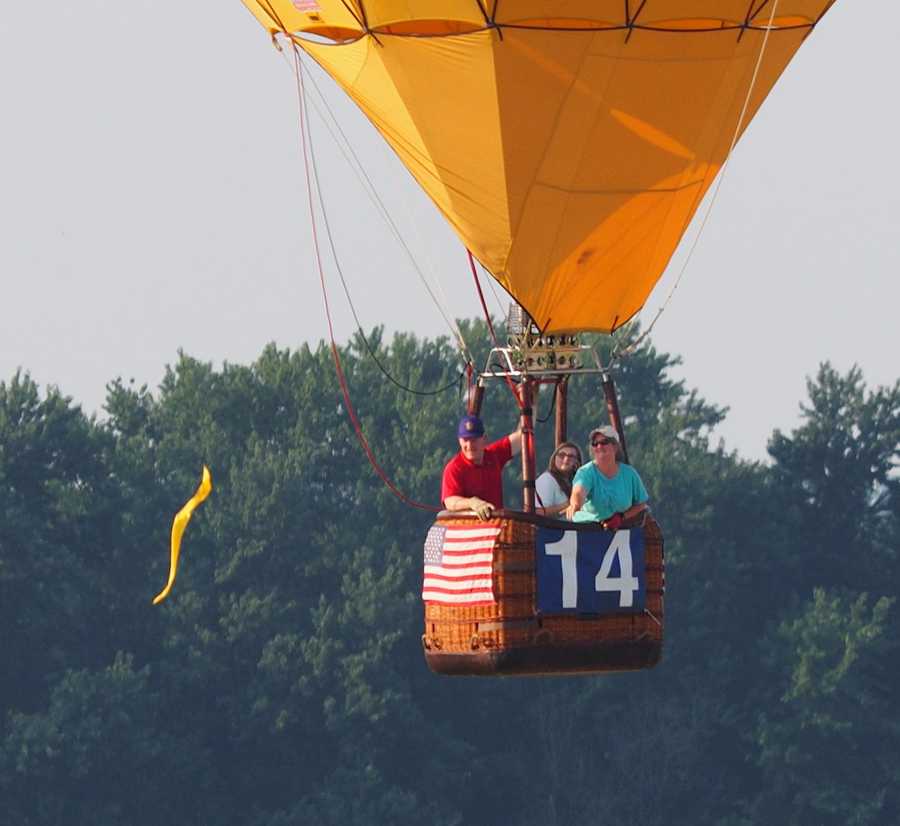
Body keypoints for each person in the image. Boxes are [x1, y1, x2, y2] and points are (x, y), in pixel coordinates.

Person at [565, 425, 649, 529]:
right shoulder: (586, 472)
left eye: (604, 442)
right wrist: (575, 505)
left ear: (615, 446)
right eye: (595, 444)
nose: (599, 446)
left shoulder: (629, 474)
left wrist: (621, 517)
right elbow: (578, 492)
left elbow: (641, 504)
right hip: (586, 532)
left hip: (620, 536)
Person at [442, 414, 522, 521]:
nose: (470, 445)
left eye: (474, 440)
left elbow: (521, 437)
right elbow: (450, 501)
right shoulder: (454, 468)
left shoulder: (493, 455)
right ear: (459, 441)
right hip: (470, 531)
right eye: (465, 440)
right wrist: (471, 502)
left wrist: (531, 405)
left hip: (497, 527)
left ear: (484, 438)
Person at [535, 441, 582, 518]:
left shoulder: (575, 482)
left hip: (572, 529)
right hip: (551, 529)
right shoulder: (547, 479)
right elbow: (538, 512)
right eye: (562, 455)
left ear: (577, 462)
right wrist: (569, 503)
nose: (566, 459)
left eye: (571, 456)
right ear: (554, 458)